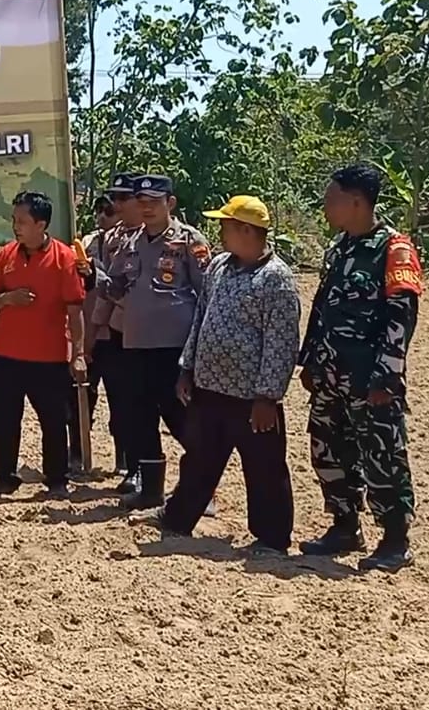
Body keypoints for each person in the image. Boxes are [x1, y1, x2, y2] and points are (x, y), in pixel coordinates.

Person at [144, 195, 300, 553]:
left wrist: (268, 396)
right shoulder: (218, 266)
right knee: (199, 458)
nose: (220, 232)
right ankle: (177, 517)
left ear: (246, 230)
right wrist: (187, 367)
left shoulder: (276, 279)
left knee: (263, 467)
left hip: (251, 396)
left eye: (226, 226)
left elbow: (281, 342)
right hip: (209, 387)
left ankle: (272, 537)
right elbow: (201, 318)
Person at [297, 164, 424, 573]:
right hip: (330, 374)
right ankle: (344, 525)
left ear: (356, 201)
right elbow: (323, 308)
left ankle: (395, 540)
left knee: (382, 455)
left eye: (331, 198)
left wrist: (387, 376)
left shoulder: (394, 249)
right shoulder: (339, 248)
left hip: (370, 379)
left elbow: (401, 318)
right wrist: (310, 359)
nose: (325, 205)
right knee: (328, 450)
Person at [99, 174, 210, 510]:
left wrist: (199, 349)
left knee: (180, 417)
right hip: (135, 343)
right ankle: (151, 491)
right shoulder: (129, 242)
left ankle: (201, 490)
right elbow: (116, 288)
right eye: (141, 201)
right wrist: (93, 277)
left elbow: (207, 294)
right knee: (140, 417)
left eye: (154, 202)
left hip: (174, 346)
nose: (146, 208)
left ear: (170, 203)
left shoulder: (189, 241)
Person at [0, 191, 86, 496]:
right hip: (3, 355)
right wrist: (8, 298)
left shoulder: (65, 258)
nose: (16, 227)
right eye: (14, 220)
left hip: (48, 358)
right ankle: (4, 477)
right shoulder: (5, 255)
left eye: (22, 221)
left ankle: (57, 480)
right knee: (3, 420)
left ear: (41, 224)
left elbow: (75, 310)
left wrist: (78, 354)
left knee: (54, 421)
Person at [89, 173, 145, 491]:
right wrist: (94, 332)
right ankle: (136, 470)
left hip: (163, 338)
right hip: (120, 333)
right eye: (115, 199)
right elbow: (110, 291)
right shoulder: (117, 240)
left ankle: (201, 485)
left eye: (124, 198)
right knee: (126, 405)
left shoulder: (182, 241)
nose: (117, 205)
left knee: (172, 414)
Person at [69, 192, 120, 474]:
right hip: (89, 331)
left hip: (116, 332)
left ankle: (124, 460)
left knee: (121, 400)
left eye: (108, 211)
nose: (102, 216)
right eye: (99, 210)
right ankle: (77, 454)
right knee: (81, 398)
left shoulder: (128, 243)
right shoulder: (86, 243)